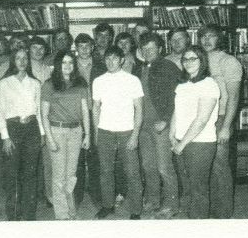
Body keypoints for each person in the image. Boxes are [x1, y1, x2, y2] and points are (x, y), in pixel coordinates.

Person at [91, 43, 143, 219]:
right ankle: (107, 205)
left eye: (114, 58)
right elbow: (96, 107)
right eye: (107, 58)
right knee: (105, 171)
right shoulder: (98, 81)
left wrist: (135, 135)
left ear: (122, 60)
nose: (110, 62)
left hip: (127, 131)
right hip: (105, 131)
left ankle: (136, 210)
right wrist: (97, 133)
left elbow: (139, 109)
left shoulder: (132, 80)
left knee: (132, 172)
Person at [170, 43, 219, 219]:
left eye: (193, 58)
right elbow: (177, 110)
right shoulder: (183, 84)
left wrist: (182, 144)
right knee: (186, 186)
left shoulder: (209, 84)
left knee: (198, 188)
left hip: (200, 144)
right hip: (181, 140)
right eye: (185, 59)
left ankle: (199, 227)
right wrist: (172, 134)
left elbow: (201, 120)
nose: (188, 62)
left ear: (202, 60)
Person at [0, 44, 43, 220]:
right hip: (12, 129)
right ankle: (13, 215)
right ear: (12, 61)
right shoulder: (4, 84)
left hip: (32, 129)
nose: (22, 61)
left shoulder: (35, 83)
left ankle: (29, 215)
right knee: (12, 174)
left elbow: (38, 111)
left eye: (25, 58)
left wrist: (42, 133)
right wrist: (5, 137)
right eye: (18, 58)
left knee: (30, 174)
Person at [41, 50, 90, 220]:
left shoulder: (80, 83)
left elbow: (84, 110)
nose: (67, 66)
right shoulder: (49, 84)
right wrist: (50, 138)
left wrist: (88, 134)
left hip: (76, 131)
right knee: (59, 176)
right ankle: (62, 215)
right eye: (64, 62)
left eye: (70, 62)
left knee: (71, 175)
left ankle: (70, 208)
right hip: (57, 131)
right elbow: (44, 114)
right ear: (57, 65)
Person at [199, 26, 242, 218]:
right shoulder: (199, 59)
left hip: (220, 119)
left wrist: (226, 127)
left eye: (212, 36)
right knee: (204, 166)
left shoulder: (228, 61)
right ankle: (209, 210)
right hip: (201, 119)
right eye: (203, 36)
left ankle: (223, 214)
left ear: (220, 39)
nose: (207, 40)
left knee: (219, 166)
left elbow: (234, 97)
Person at [138, 32, 180, 218]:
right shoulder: (141, 68)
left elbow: (178, 95)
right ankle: (154, 201)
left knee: (164, 167)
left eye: (151, 49)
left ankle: (172, 205)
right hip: (143, 127)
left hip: (161, 125)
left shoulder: (168, 67)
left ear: (160, 49)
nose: (147, 52)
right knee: (148, 166)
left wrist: (167, 119)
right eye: (144, 49)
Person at [72, 33, 101, 210]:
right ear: (76, 48)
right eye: (80, 46)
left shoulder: (101, 66)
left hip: (95, 114)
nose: (84, 49)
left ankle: (97, 195)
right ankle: (77, 195)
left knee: (95, 156)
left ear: (92, 47)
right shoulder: (69, 67)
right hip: (75, 115)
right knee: (76, 157)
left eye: (87, 46)